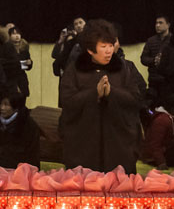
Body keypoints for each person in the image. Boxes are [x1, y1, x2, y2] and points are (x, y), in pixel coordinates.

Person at [59, 19, 144, 173]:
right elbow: (66, 100)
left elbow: (136, 99)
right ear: (90, 50)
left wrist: (112, 92)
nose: (109, 51)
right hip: (84, 143)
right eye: (103, 47)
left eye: (111, 45)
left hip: (118, 142)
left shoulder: (124, 67)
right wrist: (94, 94)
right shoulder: (75, 69)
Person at [0, 86, 40, 168]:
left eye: (6, 105)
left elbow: (23, 150)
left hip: (23, 164)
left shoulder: (27, 124)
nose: (2, 108)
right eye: (1, 104)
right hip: (0, 160)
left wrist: (1, 152)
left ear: (15, 108)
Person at [141, 94, 174, 170]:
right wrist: (161, 162)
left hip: (167, 150)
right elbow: (154, 144)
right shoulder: (162, 120)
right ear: (173, 109)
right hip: (154, 158)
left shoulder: (173, 118)